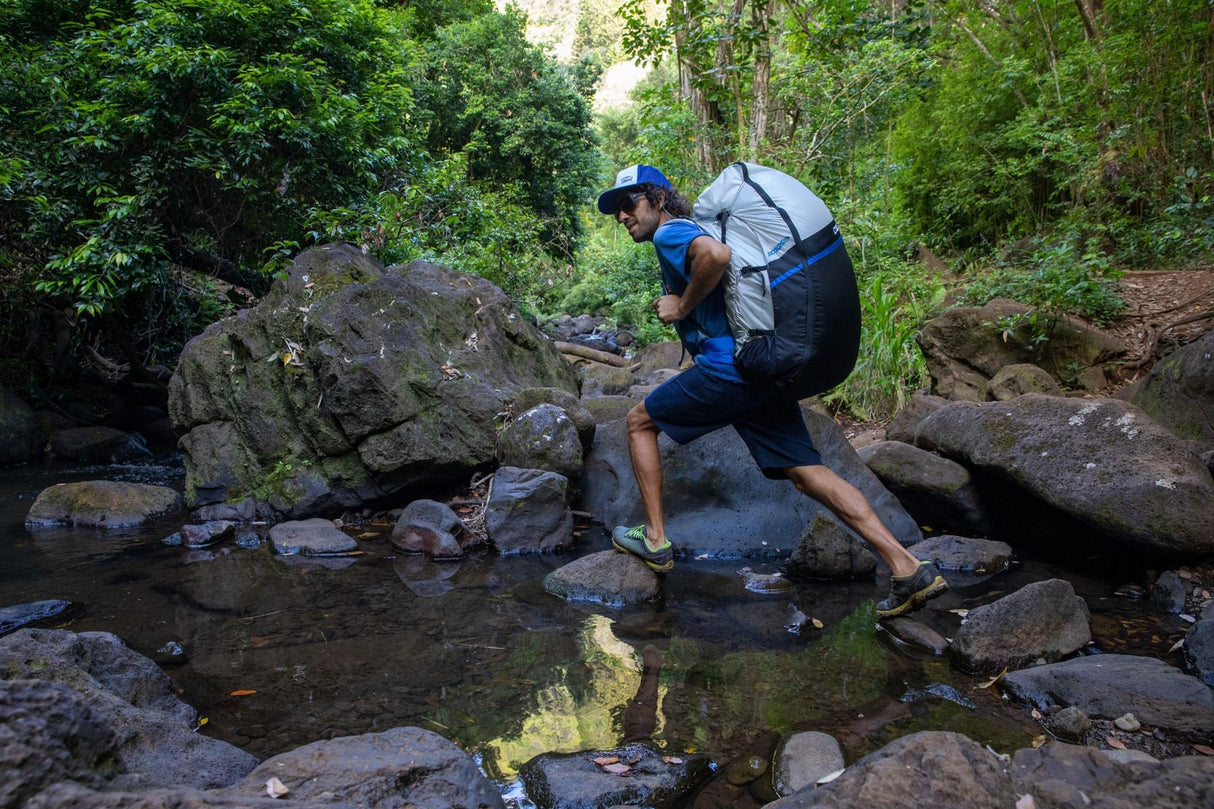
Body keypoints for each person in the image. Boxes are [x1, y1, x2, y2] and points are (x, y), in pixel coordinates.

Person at [596, 164, 948, 618]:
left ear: (658, 199)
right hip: (758, 370)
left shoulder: (672, 233)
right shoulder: (684, 230)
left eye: (629, 204)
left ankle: (655, 540)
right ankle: (907, 568)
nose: (622, 216)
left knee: (639, 422)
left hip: (729, 371)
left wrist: (682, 305)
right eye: (616, 211)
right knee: (806, 472)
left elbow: (717, 256)